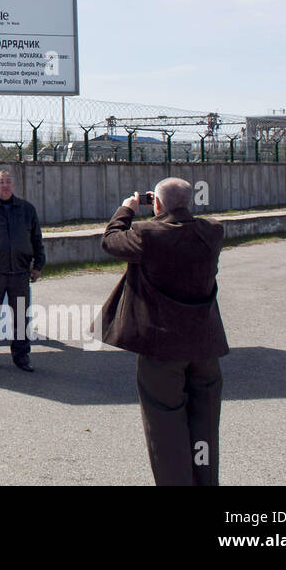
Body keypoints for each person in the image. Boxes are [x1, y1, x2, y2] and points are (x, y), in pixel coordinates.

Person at [98, 177, 228, 486]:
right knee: (205, 425)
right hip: (205, 348)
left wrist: (127, 209)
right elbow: (188, 225)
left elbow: (111, 240)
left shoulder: (147, 234)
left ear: (155, 204)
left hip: (163, 348)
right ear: (190, 203)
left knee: (166, 428)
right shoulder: (213, 231)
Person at [0, 169, 45, 371]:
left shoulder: (27, 209)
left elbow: (37, 240)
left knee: (21, 318)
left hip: (20, 275)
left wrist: (38, 266)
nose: (5, 185)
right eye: (1, 182)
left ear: (14, 186)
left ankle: (21, 357)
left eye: (8, 182)